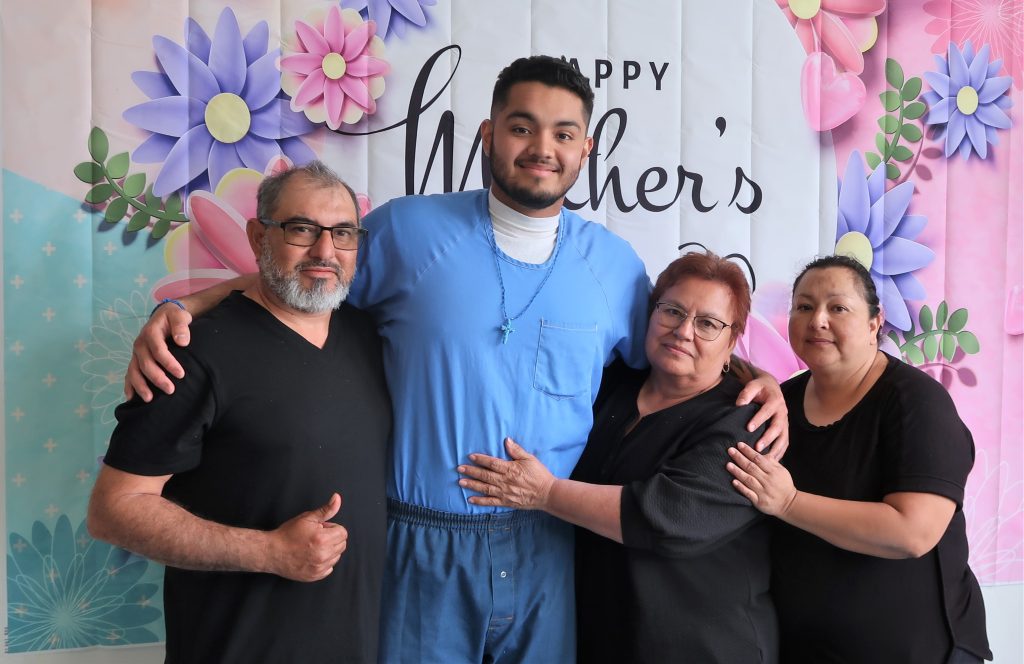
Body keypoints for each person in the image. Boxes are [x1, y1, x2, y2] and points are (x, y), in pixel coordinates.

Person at [125, 56, 787, 662]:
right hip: (419, 544)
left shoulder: (615, 269)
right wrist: (191, 305)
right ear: (488, 134)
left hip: (551, 545)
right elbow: (308, 277)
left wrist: (760, 380)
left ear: (586, 148)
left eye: (562, 134)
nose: (541, 149)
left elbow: (676, 359)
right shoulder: (406, 230)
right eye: (521, 127)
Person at [87, 162, 391, 663]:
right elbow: (112, 510)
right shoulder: (190, 352)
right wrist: (268, 552)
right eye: (301, 229)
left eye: (342, 233)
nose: (324, 251)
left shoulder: (368, 336)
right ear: (258, 236)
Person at [458, 251, 778, 663]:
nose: (683, 331)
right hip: (603, 637)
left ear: (733, 340)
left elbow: (668, 516)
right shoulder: (612, 385)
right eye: (672, 311)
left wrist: (545, 493)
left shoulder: (749, 424)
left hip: (701, 647)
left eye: (708, 324)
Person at [727, 255, 991, 663]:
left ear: (874, 323)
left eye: (838, 307)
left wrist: (789, 503)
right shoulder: (784, 402)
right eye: (804, 306)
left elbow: (913, 533)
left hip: (918, 651)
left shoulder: (915, 403)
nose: (818, 320)